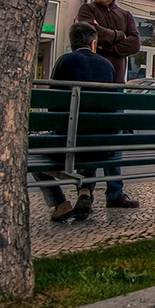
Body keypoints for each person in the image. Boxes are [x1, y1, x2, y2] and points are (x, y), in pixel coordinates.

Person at [75, 0, 142, 208]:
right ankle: (86, 189)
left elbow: (134, 44)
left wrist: (107, 43)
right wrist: (118, 36)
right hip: (92, 89)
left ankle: (115, 192)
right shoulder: (87, 10)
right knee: (93, 140)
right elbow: (90, 34)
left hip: (115, 89)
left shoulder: (126, 14)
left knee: (112, 141)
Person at [35, 23, 115, 221]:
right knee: (91, 137)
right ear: (94, 43)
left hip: (71, 142)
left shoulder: (65, 61)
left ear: (72, 43)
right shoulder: (107, 65)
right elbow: (113, 108)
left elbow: (52, 107)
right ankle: (85, 190)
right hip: (102, 145)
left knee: (32, 153)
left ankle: (60, 203)